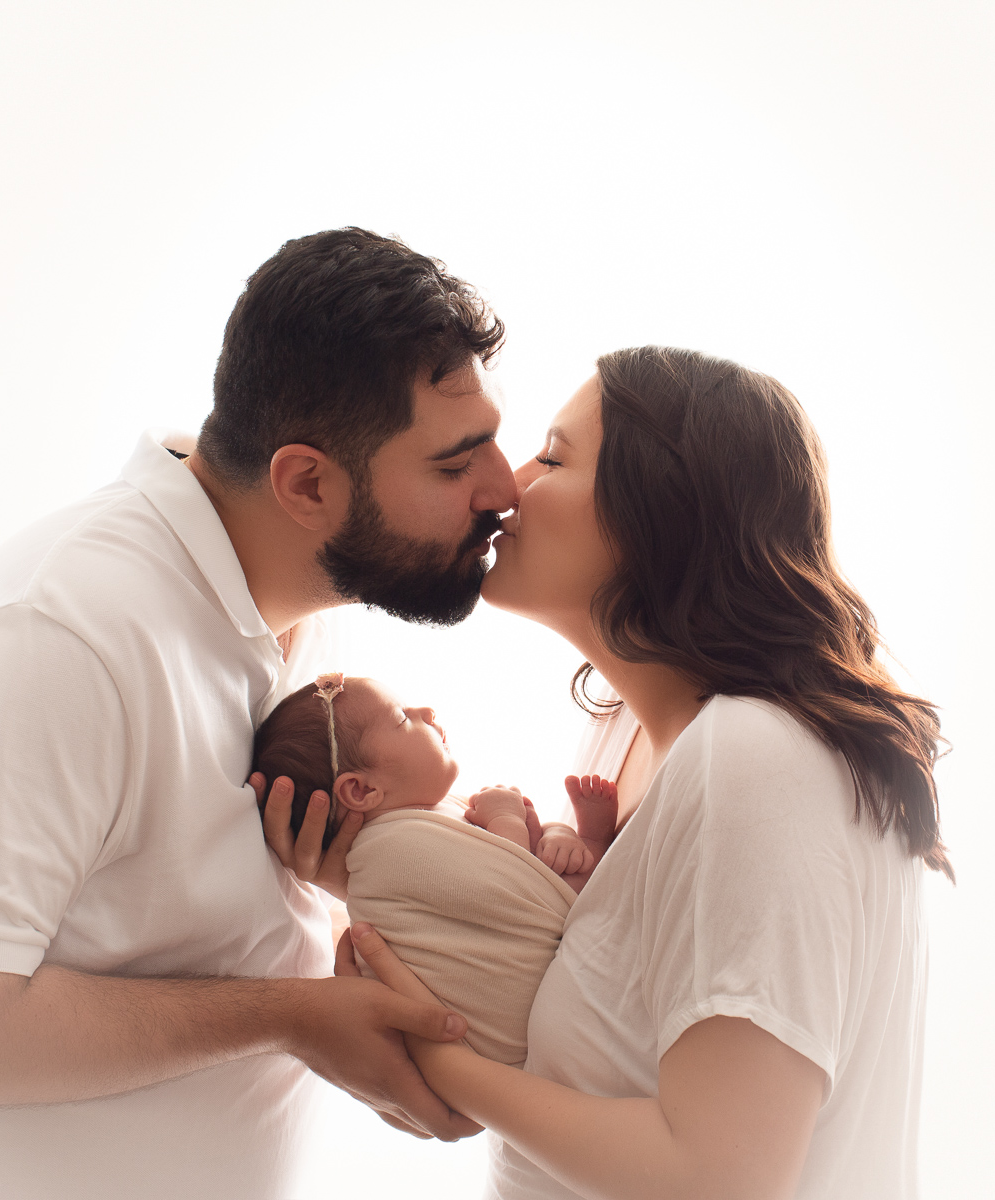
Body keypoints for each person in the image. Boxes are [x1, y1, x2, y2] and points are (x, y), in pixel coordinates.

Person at [0, 228, 520, 1199]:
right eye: (456, 463)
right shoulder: (63, 632)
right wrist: (290, 1016)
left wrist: (354, 896)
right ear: (306, 484)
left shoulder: (294, 610)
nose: (504, 490)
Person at [289, 346, 950, 1199]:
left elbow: (720, 1176)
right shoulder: (621, 741)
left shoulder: (755, 754)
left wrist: (441, 1061)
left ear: (657, 513)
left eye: (554, 457)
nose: (505, 487)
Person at [252, 673, 615, 1067]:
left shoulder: (414, 822)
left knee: (561, 854)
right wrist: (508, 822)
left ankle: (585, 845)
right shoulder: (390, 849)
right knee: (578, 881)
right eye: (403, 718)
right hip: (515, 1021)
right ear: (362, 791)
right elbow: (505, 890)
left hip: (521, 1011)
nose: (426, 711)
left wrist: (552, 834)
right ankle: (594, 844)